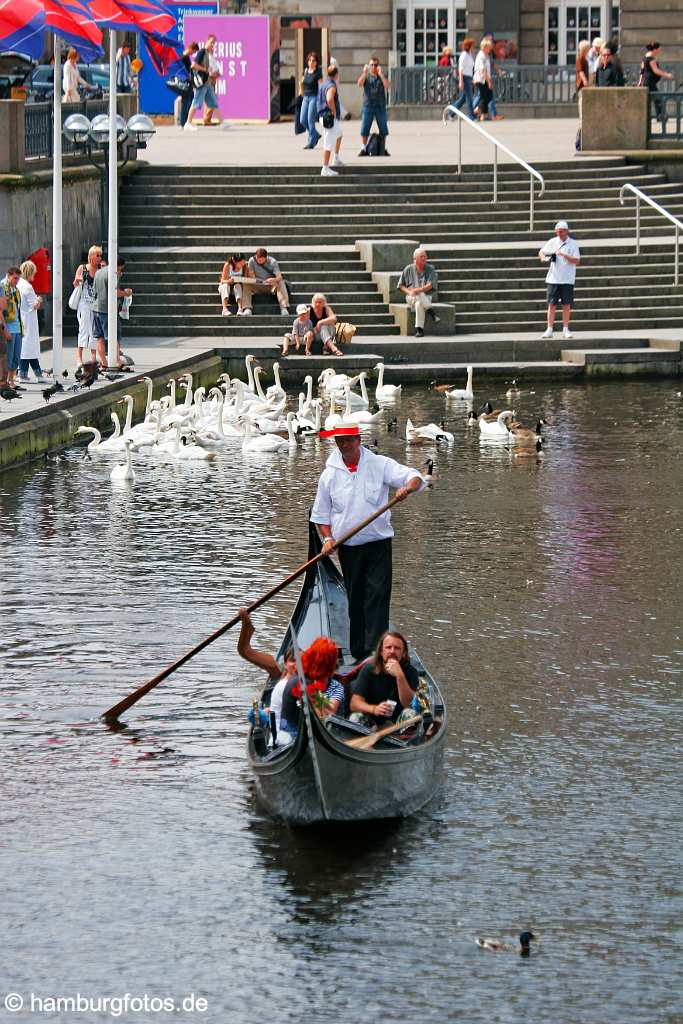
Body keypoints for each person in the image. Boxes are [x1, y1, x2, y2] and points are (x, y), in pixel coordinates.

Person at [311, 423, 426, 662]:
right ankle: (359, 651)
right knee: (356, 598)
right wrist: (328, 538)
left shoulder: (379, 464)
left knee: (378, 595)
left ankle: (377, 653)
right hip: (348, 546)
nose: (344, 445)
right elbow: (322, 514)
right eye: (340, 441)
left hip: (378, 543)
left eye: (348, 440)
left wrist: (406, 488)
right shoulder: (329, 474)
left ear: (358, 439)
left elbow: (414, 476)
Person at [237, 609, 298, 746]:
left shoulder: (306, 679)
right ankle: (247, 628)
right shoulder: (280, 676)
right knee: (244, 651)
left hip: (290, 726)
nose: (297, 665)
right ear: (287, 663)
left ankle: (248, 628)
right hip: (283, 724)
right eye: (292, 661)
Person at [349, 629, 419, 729]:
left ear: (403, 653)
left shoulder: (411, 672)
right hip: (372, 722)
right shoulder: (369, 670)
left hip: (398, 724)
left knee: (411, 714)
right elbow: (354, 704)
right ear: (381, 652)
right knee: (355, 717)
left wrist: (400, 676)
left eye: (397, 648)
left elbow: (409, 704)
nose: (392, 651)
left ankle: (400, 741)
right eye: (388, 647)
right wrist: (374, 709)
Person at [278, 637, 345, 738]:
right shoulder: (303, 683)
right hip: (291, 736)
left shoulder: (303, 678)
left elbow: (326, 710)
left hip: (292, 732)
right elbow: (323, 716)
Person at [539, 219, 581, 339]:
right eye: (557, 232)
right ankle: (549, 329)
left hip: (567, 279)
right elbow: (541, 252)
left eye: (561, 232)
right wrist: (543, 258)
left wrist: (564, 255)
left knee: (566, 304)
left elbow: (577, 261)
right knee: (551, 304)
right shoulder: (552, 241)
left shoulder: (573, 244)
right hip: (553, 278)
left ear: (567, 231)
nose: (559, 234)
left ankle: (565, 329)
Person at [92, 258, 132, 370]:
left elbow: (95, 289)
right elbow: (114, 292)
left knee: (99, 337)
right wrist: (126, 293)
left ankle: (104, 363)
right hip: (107, 310)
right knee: (114, 336)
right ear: (119, 266)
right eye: (121, 268)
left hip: (96, 308)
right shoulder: (113, 274)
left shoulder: (99, 272)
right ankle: (117, 361)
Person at [398, 248, 438, 339]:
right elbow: (400, 286)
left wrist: (418, 290)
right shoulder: (408, 269)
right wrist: (410, 292)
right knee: (417, 296)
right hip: (410, 297)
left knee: (419, 303)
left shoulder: (430, 269)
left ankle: (420, 330)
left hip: (426, 297)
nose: (424, 258)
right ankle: (430, 311)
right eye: (421, 256)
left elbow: (430, 285)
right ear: (415, 258)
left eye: (425, 256)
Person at [16, 261, 46, 383]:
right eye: (34, 272)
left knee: (27, 347)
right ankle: (24, 374)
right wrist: (39, 299)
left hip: (21, 318)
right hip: (28, 320)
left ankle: (36, 373)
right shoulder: (28, 287)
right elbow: (34, 305)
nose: (35, 274)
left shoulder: (18, 284)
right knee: (29, 347)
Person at [73, 246, 101, 369]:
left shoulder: (101, 269)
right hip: (84, 302)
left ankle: (93, 357)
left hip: (95, 303)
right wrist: (79, 280)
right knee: (83, 329)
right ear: (91, 256)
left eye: (100, 255)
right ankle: (79, 357)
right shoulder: (83, 268)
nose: (99, 258)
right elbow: (75, 283)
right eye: (97, 255)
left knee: (94, 330)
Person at [184, 36, 220, 131]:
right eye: (211, 42)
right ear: (207, 42)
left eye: (214, 43)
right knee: (196, 103)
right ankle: (188, 123)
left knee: (213, 102)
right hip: (202, 83)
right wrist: (206, 70)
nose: (212, 45)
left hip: (206, 83)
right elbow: (193, 65)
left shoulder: (207, 53)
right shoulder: (202, 51)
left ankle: (222, 122)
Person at [357, 57, 390, 156]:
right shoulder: (366, 76)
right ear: (369, 65)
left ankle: (382, 148)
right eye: (372, 65)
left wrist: (381, 74)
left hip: (380, 106)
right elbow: (359, 84)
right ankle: (363, 148)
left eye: (375, 65)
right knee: (364, 128)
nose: (374, 67)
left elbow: (387, 85)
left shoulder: (381, 76)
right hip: (368, 105)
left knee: (383, 129)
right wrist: (364, 73)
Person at [243, 248, 289, 316]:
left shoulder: (272, 261)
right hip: (257, 285)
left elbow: (279, 277)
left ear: (266, 257)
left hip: (270, 286)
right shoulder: (252, 261)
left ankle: (284, 307)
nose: (259, 261)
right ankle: (247, 308)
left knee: (281, 282)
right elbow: (251, 275)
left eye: (261, 260)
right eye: (257, 259)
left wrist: (273, 279)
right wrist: (253, 278)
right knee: (246, 283)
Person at [639, 42, 674, 123]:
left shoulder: (644, 57)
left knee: (653, 99)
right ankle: (660, 116)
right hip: (649, 82)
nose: (659, 50)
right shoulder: (651, 58)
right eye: (659, 49)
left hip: (647, 81)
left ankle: (659, 116)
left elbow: (641, 71)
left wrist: (640, 81)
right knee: (657, 99)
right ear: (655, 49)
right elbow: (656, 70)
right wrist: (667, 75)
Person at [1, 266, 23, 392]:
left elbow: (18, 310)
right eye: (15, 278)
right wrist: (5, 329)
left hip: (17, 326)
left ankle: (11, 380)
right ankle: (5, 383)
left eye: (18, 278)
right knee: (7, 356)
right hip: (8, 326)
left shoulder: (15, 289)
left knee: (16, 356)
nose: (17, 281)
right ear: (8, 275)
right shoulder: (3, 287)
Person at [319, 64, 344, 177]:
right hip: (329, 117)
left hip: (323, 115)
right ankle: (325, 168)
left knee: (339, 134)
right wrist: (333, 111)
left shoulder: (323, 84)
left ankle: (336, 158)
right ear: (337, 74)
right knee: (328, 143)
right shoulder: (331, 86)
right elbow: (329, 99)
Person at [300, 52, 322, 150]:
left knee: (310, 120)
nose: (311, 62)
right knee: (302, 120)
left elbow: (321, 86)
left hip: (314, 97)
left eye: (313, 61)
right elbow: (302, 82)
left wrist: (321, 99)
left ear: (316, 62)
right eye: (309, 60)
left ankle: (311, 142)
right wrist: (301, 91)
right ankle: (316, 134)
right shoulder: (305, 71)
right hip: (306, 97)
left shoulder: (318, 73)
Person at [450, 38, 476, 119]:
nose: (474, 47)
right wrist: (461, 81)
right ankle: (471, 116)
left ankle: (451, 113)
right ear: (469, 46)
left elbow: (471, 67)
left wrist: (472, 78)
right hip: (464, 77)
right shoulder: (464, 55)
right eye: (472, 46)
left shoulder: (469, 55)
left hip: (469, 77)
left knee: (463, 99)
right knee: (469, 98)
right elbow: (460, 69)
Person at [178, 42, 199, 128]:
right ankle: (184, 122)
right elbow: (184, 70)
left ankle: (186, 122)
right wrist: (188, 76)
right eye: (193, 52)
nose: (193, 54)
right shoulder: (183, 57)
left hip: (188, 82)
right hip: (185, 82)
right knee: (186, 102)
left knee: (189, 101)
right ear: (191, 49)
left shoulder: (185, 57)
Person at [472, 38, 494, 121]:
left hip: (485, 78)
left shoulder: (486, 55)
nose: (490, 49)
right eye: (489, 47)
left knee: (488, 96)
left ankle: (479, 110)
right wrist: (488, 81)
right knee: (484, 97)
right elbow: (483, 70)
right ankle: (483, 115)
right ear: (484, 47)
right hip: (481, 79)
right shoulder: (481, 56)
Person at [574, 39, 590, 151]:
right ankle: (579, 141)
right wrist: (585, 81)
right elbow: (580, 71)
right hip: (581, 88)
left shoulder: (585, 59)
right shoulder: (579, 59)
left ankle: (582, 141)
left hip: (584, 88)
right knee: (582, 116)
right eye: (587, 48)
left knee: (584, 116)